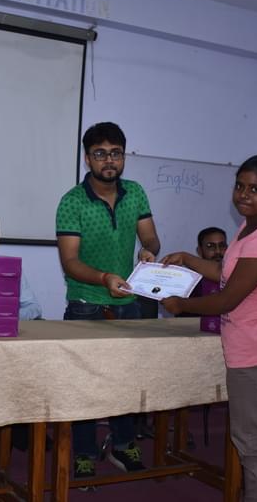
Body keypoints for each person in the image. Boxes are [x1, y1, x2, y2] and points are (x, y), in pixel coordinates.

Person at [160, 154, 257, 502]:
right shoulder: (250, 226)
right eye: (240, 186)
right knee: (250, 440)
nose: (244, 196)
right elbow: (226, 274)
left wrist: (181, 305)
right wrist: (189, 260)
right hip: (250, 352)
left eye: (256, 189)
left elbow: (227, 299)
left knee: (255, 446)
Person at [55, 122, 161, 480]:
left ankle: (123, 443)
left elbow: (150, 237)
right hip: (86, 305)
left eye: (115, 153)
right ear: (88, 159)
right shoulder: (72, 201)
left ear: (123, 156)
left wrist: (148, 251)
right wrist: (103, 278)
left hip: (128, 304)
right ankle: (83, 452)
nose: (109, 160)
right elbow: (69, 262)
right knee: (84, 384)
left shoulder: (136, 192)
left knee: (125, 381)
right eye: (100, 153)